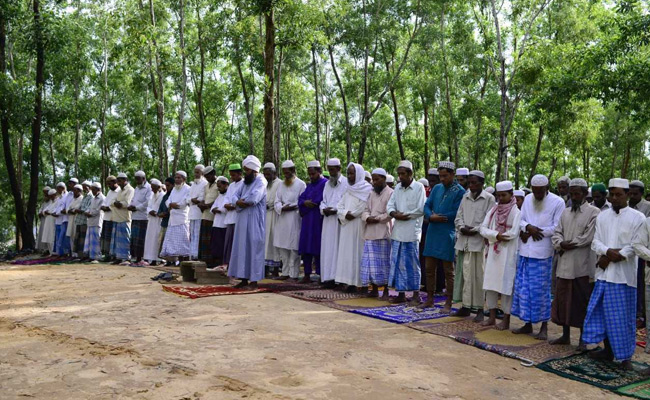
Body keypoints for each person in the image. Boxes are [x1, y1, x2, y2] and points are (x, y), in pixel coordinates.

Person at [584, 179, 644, 370]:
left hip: (624, 278)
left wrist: (612, 256)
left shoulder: (638, 217)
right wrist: (609, 252)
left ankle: (625, 358)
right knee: (602, 315)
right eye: (612, 194)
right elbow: (595, 242)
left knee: (622, 318)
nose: (615, 198)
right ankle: (608, 351)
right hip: (604, 275)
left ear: (627, 194)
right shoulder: (602, 216)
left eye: (619, 194)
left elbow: (635, 246)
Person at [511, 174, 565, 340]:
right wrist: (527, 227)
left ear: (547, 189)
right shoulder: (528, 199)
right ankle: (527, 324)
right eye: (534, 191)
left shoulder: (558, 202)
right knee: (523, 289)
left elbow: (557, 226)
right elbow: (520, 219)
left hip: (542, 253)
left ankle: (544, 327)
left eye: (540, 191)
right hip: (525, 249)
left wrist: (536, 230)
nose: (537, 194)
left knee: (540, 291)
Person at [549, 178, 599, 349]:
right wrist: (560, 243)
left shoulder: (594, 212)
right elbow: (556, 233)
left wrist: (569, 244)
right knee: (563, 301)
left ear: (585, 194)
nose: (574, 196)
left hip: (582, 266)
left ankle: (583, 340)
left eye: (577, 193)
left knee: (581, 302)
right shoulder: (566, 212)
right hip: (564, 264)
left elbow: (588, 237)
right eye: (572, 193)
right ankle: (565, 336)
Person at [421, 161, 465, 311]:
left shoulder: (460, 191)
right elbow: (427, 205)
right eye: (440, 176)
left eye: (445, 176)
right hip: (433, 231)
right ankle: (430, 299)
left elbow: (458, 212)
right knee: (429, 268)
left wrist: (442, 217)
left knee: (448, 270)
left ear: (453, 175)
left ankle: (449, 302)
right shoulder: (437, 188)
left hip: (447, 232)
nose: (442, 179)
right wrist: (430, 216)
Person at [452, 170, 495, 320]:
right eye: (470, 183)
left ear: (482, 183)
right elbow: (458, 217)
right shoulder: (465, 197)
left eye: (474, 182)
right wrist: (462, 227)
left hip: (479, 244)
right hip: (464, 242)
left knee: (478, 277)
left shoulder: (489, 199)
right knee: (463, 276)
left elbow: (489, 221)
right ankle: (465, 306)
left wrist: (475, 230)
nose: (471, 185)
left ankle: (480, 310)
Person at [480, 180, 521, 329]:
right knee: (490, 284)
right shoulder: (493, 210)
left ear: (511, 194)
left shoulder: (516, 212)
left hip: (508, 254)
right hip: (492, 252)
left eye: (504, 195)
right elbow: (482, 229)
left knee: (506, 286)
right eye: (499, 195)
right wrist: (496, 235)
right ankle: (491, 316)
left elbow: (514, 233)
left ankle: (506, 319)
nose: (501, 198)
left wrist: (499, 236)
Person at [387, 160, 425, 304]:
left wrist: (405, 215)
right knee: (397, 263)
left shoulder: (419, 187)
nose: (400, 177)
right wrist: (394, 214)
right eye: (399, 174)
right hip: (398, 231)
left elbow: (420, 209)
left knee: (412, 264)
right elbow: (390, 205)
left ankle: (416, 295)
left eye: (403, 174)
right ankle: (401, 295)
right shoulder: (397, 188)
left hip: (411, 232)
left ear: (410, 174)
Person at [229, 156, 266, 288]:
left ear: (254, 170)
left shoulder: (261, 181)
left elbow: (254, 199)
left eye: (247, 170)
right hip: (242, 219)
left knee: (254, 248)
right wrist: (238, 201)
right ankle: (243, 278)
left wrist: (239, 201)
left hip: (255, 220)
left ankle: (254, 281)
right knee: (241, 248)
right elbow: (234, 195)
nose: (245, 173)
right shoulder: (245, 183)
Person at [335, 163, 372, 292]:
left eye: (352, 173)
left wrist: (352, 214)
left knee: (358, 253)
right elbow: (339, 206)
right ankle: (349, 282)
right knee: (347, 254)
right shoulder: (348, 189)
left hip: (359, 226)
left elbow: (363, 207)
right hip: (346, 225)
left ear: (359, 174)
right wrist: (345, 214)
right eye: (348, 173)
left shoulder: (367, 189)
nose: (350, 176)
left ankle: (360, 284)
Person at [360, 168, 394, 299]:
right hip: (369, 231)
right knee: (370, 264)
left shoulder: (391, 193)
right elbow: (365, 209)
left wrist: (377, 219)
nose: (374, 182)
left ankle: (385, 290)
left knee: (384, 263)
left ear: (384, 179)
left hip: (382, 232)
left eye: (377, 179)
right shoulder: (371, 193)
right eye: (373, 180)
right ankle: (374, 289)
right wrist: (368, 218)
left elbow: (390, 212)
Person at [274, 160, 306, 281]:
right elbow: (277, 201)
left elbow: (301, 201)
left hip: (294, 218)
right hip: (282, 218)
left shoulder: (301, 184)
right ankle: (285, 273)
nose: (286, 175)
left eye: (287, 172)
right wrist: (281, 207)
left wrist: (291, 206)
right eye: (284, 173)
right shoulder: (281, 185)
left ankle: (294, 274)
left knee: (293, 248)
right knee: (283, 247)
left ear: (293, 171)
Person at [298, 161, 328, 283]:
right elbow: (301, 198)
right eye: (309, 174)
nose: (311, 176)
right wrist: (304, 203)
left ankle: (321, 275)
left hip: (317, 220)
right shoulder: (309, 185)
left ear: (319, 172)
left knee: (318, 247)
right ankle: (307, 274)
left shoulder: (325, 184)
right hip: (307, 220)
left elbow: (318, 200)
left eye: (313, 174)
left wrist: (309, 202)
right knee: (306, 247)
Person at [320, 158, 348, 287]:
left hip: (338, 221)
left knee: (337, 249)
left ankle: (337, 279)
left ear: (339, 169)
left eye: (332, 170)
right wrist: (323, 209)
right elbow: (323, 201)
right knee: (327, 249)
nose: (330, 172)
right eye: (329, 169)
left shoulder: (346, 183)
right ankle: (327, 278)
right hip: (327, 221)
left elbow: (346, 202)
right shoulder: (327, 184)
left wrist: (335, 210)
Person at [629, 180, 650, 325]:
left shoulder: (647, 207)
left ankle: (641, 314)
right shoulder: (626, 206)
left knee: (642, 282)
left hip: (643, 254)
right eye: (630, 193)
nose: (632, 196)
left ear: (641, 194)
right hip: (631, 250)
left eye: (635, 194)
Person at [160, 171, 192, 260]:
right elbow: (168, 201)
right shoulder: (174, 189)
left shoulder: (188, 189)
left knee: (183, 243)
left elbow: (185, 201)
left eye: (179, 178)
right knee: (172, 243)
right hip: (173, 218)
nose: (177, 180)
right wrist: (170, 204)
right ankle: (174, 262)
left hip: (182, 219)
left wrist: (176, 205)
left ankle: (183, 261)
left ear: (184, 179)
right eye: (176, 178)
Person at [127, 171, 152, 266]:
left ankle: (141, 258)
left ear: (144, 178)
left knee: (141, 239)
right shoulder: (136, 188)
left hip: (143, 217)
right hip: (135, 216)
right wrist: (130, 206)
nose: (137, 181)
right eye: (136, 178)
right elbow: (133, 200)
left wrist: (136, 208)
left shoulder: (148, 188)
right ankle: (136, 258)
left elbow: (147, 202)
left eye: (138, 178)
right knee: (134, 238)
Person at [109, 173, 135, 265]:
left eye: (119, 181)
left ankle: (126, 257)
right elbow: (111, 201)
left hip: (125, 217)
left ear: (125, 180)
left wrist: (119, 204)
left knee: (125, 238)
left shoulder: (130, 190)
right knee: (117, 239)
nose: (118, 183)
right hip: (117, 217)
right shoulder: (119, 191)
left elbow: (128, 203)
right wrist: (117, 203)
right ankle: (118, 257)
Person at [222, 164, 244, 266]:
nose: (232, 178)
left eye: (234, 175)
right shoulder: (231, 185)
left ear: (240, 173)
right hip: (230, 217)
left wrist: (234, 205)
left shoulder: (244, 184)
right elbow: (227, 198)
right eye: (231, 175)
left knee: (237, 243)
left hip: (239, 216)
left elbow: (243, 200)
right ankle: (229, 264)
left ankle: (237, 265)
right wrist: (226, 204)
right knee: (228, 242)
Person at [263, 163, 282, 276]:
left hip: (275, 216)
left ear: (274, 173)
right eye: (264, 174)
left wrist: (269, 204)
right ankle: (265, 269)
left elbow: (278, 199)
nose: (266, 176)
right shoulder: (265, 184)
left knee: (274, 242)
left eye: (268, 174)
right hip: (265, 216)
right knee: (265, 242)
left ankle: (275, 270)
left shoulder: (280, 184)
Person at [198, 167, 219, 267]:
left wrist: (208, 205)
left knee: (212, 240)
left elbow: (220, 199)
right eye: (206, 177)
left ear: (214, 173)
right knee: (204, 241)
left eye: (209, 176)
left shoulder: (219, 183)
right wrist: (201, 204)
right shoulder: (206, 186)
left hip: (214, 217)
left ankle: (212, 263)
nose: (208, 178)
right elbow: (203, 198)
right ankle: (204, 261)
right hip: (205, 216)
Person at [208, 176, 230, 269]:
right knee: (215, 245)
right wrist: (215, 209)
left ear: (226, 185)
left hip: (224, 224)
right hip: (216, 223)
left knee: (222, 245)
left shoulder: (229, 195)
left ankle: (223, 262)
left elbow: (225, 208)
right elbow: (212, 208)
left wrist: (218, 209)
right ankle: (215, 262)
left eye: (220, 186)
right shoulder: (219, 196)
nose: (218, 188)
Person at [142, 179, 164, 266]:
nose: (152, 190)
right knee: (150, 239)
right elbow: (148, 206)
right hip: (151, 220)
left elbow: (162, 208)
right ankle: (151, 258)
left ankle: (158, 259)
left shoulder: (163, 195)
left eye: (154, 188)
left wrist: (156, 212)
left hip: (158, 220)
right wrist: (150, 211)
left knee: (157, 239)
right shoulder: (152, 196)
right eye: (151, 188)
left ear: (159, 187)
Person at [188, 165, 208, 260]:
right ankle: (192, 255)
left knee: (198, 234)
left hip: (199, 213)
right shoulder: (193, 184)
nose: (196, 174)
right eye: (195, 172)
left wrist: (193, 200)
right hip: (192, 212)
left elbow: (201, 198)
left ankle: (196, 255)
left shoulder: (204, 184)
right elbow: (188, 198)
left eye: (198, 172)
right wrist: (193, 200)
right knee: (192, 235)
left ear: (202, 173)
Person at [84, 182, 105, 263]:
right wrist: (87, 212)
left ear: (98, 189)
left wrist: (90, 213)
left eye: (93, 189)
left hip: (97, 221)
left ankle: (97, 256)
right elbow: (90, 207)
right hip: (90, 221)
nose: (92, 191)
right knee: (90, 240)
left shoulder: (102, 198)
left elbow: (99, 210)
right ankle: (91, 256)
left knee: (96, 239)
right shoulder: (93, 198)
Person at [100, 176, 120, 262]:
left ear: (115, 182)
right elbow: (105, 202)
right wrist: (104, 207)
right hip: (106, 217)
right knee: (106, 238)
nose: (108, 185)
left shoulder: (119, 191)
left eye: (110, 183)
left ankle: (114, 255)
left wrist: (109, 208)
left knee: (113, 238)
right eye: (107, 183)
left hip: (114, 217)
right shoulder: (109, 192)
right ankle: (107, 254)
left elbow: (116, 204)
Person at [72, 181, 93, 260]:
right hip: (79, 220)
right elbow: (81, 206)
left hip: (85, 220)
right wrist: (78, 209)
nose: (84, 188)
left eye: (85, 187)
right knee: (78, 238)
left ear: (89, 187)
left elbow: (88, 208)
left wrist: (80, 210)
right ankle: (79, 255)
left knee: (83, 239)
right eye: (83, 187)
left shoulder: (91, 196)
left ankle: (84, 255)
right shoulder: (85, 196)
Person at [157, 178, 174, 263]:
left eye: (168, 185)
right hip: (164, 223)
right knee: (163, 242)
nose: (167, 187)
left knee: (172, 243)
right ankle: (167, 261)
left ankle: (173, 261)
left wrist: (168, 213)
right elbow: (159, 210)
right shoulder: (165, 197)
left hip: (172, 223)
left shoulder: (174, 195)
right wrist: (161, 214)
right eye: (166, 185)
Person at [54, 180, 73, 256]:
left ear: (62, 188)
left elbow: (66, 207)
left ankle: (67, 253)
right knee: (61, 237)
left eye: (58, 189)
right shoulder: (60, 197)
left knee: (66, 237)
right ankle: (61, 253)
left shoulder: (67, 195)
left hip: (67, 218)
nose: (57, 190)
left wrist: (60, 212)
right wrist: (56, 212)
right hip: (62, 219)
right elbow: (58, 207)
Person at [65, 184, 84, 257]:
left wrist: (72, 210)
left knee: (76, 236)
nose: (74, 193)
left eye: (75, 191)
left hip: (77, 219)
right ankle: (73, 254)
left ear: (79, 191)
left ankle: (77, 254)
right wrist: (70, 210)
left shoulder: (82, 198)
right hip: (71, 219)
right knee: (71, 236)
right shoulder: (73, 199)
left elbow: (77, 208)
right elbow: (68, 208)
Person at [41, 189, 58, 254]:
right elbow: (44, 210)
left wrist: (48, 212)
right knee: (48, 236)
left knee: (53, 236)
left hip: (53, 221)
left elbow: (55, 211)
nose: (51, 198)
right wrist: (45, 212)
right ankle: (51, 252)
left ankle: (54, 252)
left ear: (54, 195)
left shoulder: (57, 201)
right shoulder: (51, 202)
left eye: (51, 196)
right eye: (50, 196)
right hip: (48, 221)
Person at [37, 186, 53, 253]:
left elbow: (50, 210)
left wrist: (43, 213)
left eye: (46, 192)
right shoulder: (44, 201)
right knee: (43, 234)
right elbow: (41, 209)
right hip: (43, 220)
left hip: (49, 220)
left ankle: (50, 250)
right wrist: (40, 213)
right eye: (44, 193)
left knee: (49, 234)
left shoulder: (52, 201)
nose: (45, 194)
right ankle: (45, 249)